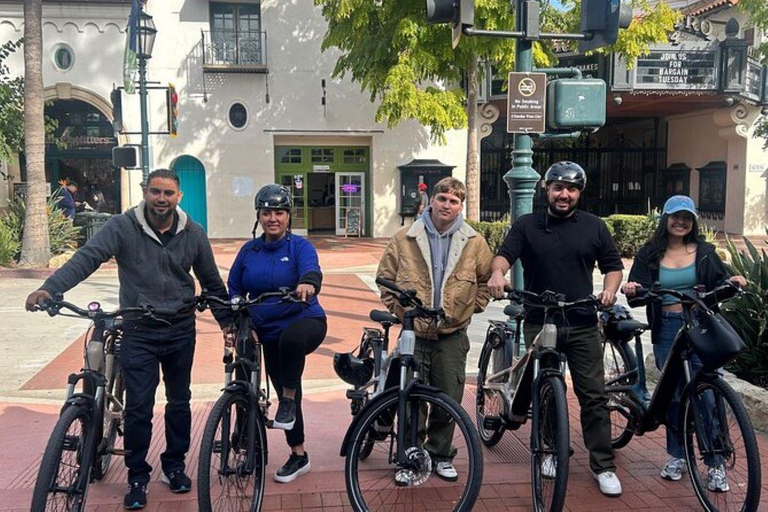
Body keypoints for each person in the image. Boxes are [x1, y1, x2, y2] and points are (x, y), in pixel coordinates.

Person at [25, 169, 231, 510]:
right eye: (155, 192)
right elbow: (86, 258)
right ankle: (137, 477)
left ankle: (174, 466)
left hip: (180, 329)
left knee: (180, 402)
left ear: (178, 196)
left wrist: (227, 322)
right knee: (138, 408)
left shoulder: (193, 233)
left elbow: (210, 281)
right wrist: (51, 288)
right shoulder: (122, 227)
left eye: (168, 193)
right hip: (139, 330)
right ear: (144, 192)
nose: (161, 199)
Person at [487, 161, 625, 497]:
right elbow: (504, 255)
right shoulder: (527, 225)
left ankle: (603, 464)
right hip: (540, 318)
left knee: (593, 395)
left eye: (572, 189)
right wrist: (497, 274)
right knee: (545, 390)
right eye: (558, 188)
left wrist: (610, 289)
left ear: (579, 192)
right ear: (546, 189)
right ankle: (549, 448)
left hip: (580, 321)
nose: (564, 194)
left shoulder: (594, 226)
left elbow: (613, 266)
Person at [622, 195, 746, 489]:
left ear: (693, 222)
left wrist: (736, 280)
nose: (681, 222)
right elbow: (635, 289)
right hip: (667, 329)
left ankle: (715, 462)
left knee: (706, 394)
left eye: (687, 217)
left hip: (701, 327)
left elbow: (722, 282)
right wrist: (632, 288)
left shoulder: (704, 251)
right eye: (675, 217)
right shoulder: (650, 253)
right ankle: (677, 455)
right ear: (665, 219)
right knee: (675, 395)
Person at [377, 176, 493, 482]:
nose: (447, 205)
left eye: (454, 201)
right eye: (442, 198)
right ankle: (410, 457)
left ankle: (441, 454)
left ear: (460, 207)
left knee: (448, 398)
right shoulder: (405, 238)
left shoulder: (474, 242)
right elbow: (385, 280)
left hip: (451, 335)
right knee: (410, 399)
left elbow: (484, 281)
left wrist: (471, 307)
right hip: (414, 333)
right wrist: (401, 313)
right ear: (432, 200)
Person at [227, 183, 327, 483]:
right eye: (267, 212)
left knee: (290, 353)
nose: (273, 218)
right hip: (266, 331)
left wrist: (308, 283)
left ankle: (288, 406)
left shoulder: (299, 247)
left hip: (304, 320)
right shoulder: (249, 250)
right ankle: (287, 451)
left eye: (279, 212)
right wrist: (239, 319)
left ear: (288, 216)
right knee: (250, 373)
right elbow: (234, 287)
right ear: (258, 215)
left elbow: (311, 268)